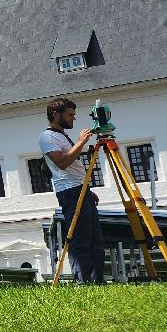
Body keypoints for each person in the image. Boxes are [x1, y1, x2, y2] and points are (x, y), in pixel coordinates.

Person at [41, 97, 105, 284]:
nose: (73, 119)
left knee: (95, 238)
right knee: (80, 237)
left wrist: (87, 190)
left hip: (80, 189)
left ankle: (97, 280)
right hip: (69, 191)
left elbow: (74, 165)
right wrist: (81, 142)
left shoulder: (61, 136)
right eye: (70, 115)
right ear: (55, 114)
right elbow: (63, 162)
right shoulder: (47, 137)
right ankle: (83, 281)